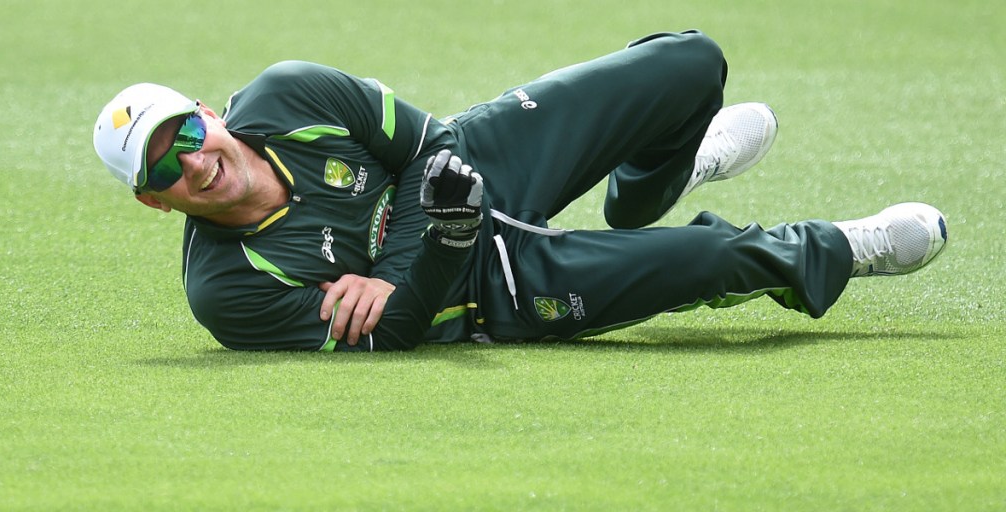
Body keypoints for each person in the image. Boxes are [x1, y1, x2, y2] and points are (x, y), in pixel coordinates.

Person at [93, 30, 948, 352]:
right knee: (708, 256)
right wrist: (443, 243)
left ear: (207, 112)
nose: (193, 163)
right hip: (485, 292)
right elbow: (393, 329)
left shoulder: (290, 93)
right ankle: (846, 249)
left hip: (482, 159)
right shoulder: (226, 290)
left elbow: (433, 143)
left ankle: (657, 180)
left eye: (187, 135)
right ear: (154, 201)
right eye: (163, 169)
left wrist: (400, 254)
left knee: (690, 63)